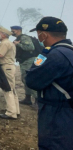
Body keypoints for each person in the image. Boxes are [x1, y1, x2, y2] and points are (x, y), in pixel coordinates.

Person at [26, 17, 73, 149]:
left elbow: (32, 80)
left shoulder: (53, 55)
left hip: (57, 113)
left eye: (39, 34)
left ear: (43, 34)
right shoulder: (69, 52)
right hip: (69, 110)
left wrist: (41, 55)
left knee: (53, 145)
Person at [0, 26, 20, 120]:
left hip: (6, 67)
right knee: (12, 89)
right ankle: (16, 110)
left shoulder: (4, 43)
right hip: (11, 67)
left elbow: (0, 55)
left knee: (7, 89)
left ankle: (11, 113)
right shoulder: (9, 43)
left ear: (3, 35)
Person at [10, 25, 38, 108]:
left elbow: (30, 47)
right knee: (25, 79)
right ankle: (28, 98)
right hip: (24, 62)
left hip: (29, 61)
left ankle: (37, 101)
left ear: (18, 30)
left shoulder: (23, 37)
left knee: (30, 79)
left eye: (13, 30)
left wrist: (18, 45)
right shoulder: (18, 39)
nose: (11, 32)